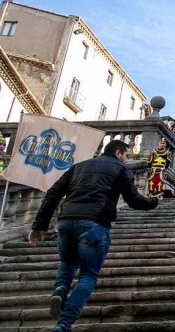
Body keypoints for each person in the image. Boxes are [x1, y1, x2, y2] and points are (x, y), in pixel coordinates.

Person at [28, 140, 161, 332]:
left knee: (67, 263)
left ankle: (60, 289)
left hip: (65, 222)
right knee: (88, 276)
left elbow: (53, 194)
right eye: (126, 156)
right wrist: (153, 202)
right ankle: (64, 324)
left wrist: (39, 225)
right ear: (118, 153)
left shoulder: (79, 166)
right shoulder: (121, 169)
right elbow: (133, 200)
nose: (126, 159)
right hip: (95, 224)